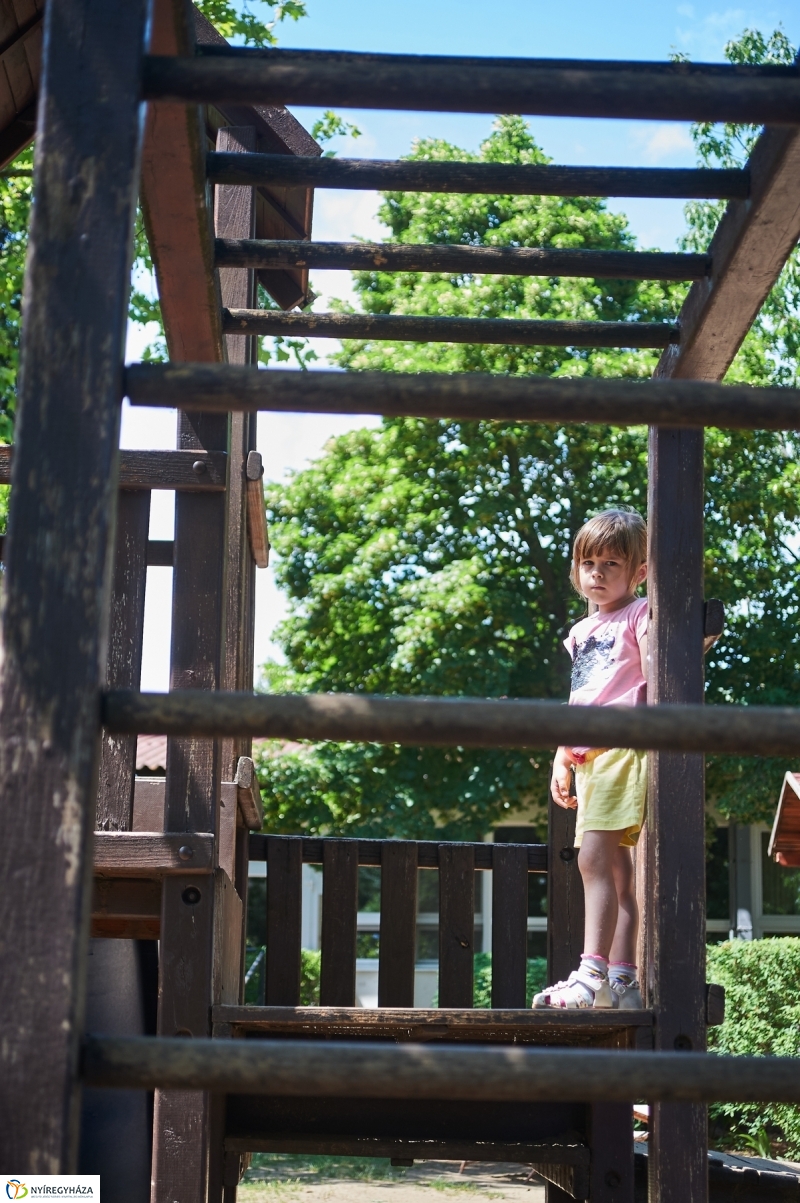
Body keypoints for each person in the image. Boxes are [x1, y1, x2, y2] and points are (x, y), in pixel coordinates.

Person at [533, 508, 649, 1010]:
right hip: (589, 756)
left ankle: (591, 975)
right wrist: (563, 753)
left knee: (594, 860)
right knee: (619, 872)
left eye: (611, 564)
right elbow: (581, 695)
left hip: (622, 748)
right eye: (589, 563)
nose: (597, 574)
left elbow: (661, 670)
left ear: (638, 573)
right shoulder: (581, 631)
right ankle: (623, 981)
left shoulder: (641, 614)